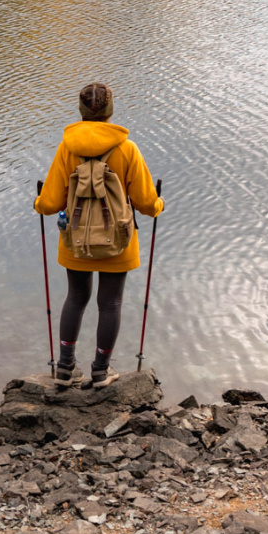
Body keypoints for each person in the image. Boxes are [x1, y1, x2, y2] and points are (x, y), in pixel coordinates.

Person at [35, 82, 164, 384]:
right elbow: (146, 204)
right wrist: (159, 204)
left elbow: (50, 204)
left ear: (80, 111)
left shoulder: (67, 148)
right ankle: (101, 371)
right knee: (111, 303)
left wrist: (37, 202)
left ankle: (65, 367)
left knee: (76, 296)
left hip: (75, 240)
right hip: (118, 241)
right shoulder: (127, 149)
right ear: (110, 110)